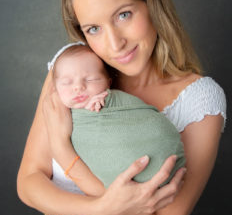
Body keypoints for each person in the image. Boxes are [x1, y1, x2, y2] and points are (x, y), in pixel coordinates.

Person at [17, 0, 226, 215]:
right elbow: (29, 183)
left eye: (123, 15)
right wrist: (102, 209)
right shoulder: (73, 71)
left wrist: (62, 149)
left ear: (152, 4)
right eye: (94, 29)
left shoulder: (200, 100)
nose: (115, 44)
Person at [48, 42, 185, 197]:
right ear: (55, 87)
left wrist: (105, 102)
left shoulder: (108, 100)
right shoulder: (53, 109)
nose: (78, 87)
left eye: (91, 79)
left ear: (108, 83)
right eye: (67, 83)